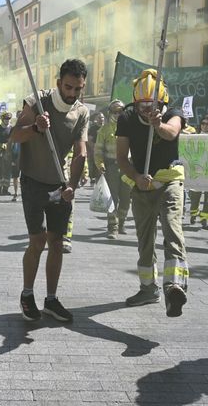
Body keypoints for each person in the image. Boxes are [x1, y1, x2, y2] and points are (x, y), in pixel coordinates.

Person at [11, 58, 89, 323]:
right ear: (58, 83)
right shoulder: (37, 102)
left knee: (56, 243)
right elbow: (15, 135)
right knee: (38, 241)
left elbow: (81, 153)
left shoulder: (82, 112)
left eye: (78, 89)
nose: (72, 94)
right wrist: (35, 127)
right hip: (32, 182)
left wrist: (72, 186)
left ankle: (51, 300)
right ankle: (27, 294)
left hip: (59, 184)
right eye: (68, 87)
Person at [116, 69, 189, 317]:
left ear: (163, 101)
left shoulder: (173, 113)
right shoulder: (126, 117)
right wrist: (136, 177)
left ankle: (174, 286)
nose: (147, 110)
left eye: (152, 104)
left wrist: (158, 124)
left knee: (172, 228)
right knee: (144, 240)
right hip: (143, 186)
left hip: (170, 182)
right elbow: (121, 158)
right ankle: (148, 289)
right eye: (142, 105)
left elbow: (172, 132)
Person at [94, 99, 131, 239]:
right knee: (112, 198)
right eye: (115, 111)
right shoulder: (104, 130)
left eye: (121, 111)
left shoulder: (130, 127)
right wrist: (100, 165)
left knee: (126, 198)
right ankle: (112, 227)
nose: (118, 114)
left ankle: (122, 222)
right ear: (110, 113)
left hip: (128, 168)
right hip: (112, 168)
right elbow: (98, 151)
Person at [189, 114, 208, 230]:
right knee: (195, 196)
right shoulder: (193, 137)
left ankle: (206, 220)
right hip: (197, 171)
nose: (205, 126)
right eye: (203, 123)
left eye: (207, 124)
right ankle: (194, 213)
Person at [0, 111, 15, 197]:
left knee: (7, 171)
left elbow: (13, 139)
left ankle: (5, 189)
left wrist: (9, 146)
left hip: (9, 153)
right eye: (6, 119)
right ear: (2, 119)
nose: (8, 120)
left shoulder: (12, 128)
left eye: (9, 119)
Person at [87, 111, 105, 185]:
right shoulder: (93, 128)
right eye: (99, 117)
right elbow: (89, 140)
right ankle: (92, 178)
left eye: (102, 117)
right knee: (93, 166)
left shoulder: (106, 128)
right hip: (94, 150)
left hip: (104, 151)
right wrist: (94, 149)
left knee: (102, 168)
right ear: (96, 119)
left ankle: (100, 181)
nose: (101, 119)